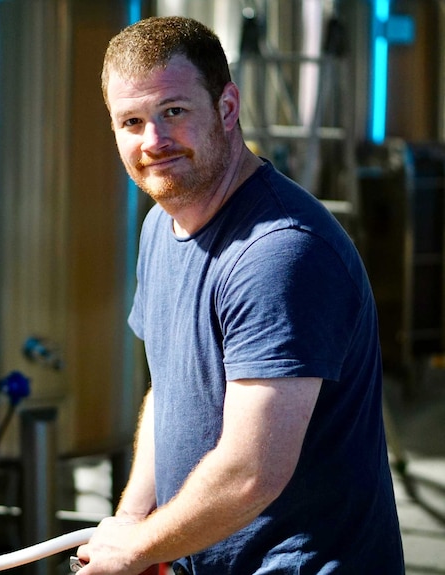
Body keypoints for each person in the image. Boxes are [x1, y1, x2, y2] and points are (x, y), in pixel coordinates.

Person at [75, 16, 404, 574]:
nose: (153, 141)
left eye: (173, 112)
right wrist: (132, 520)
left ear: (227, 107)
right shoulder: (161, 226)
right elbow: (171, 390)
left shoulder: (280, 253)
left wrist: (137, 548)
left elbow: (253, 471)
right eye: (131, 121)